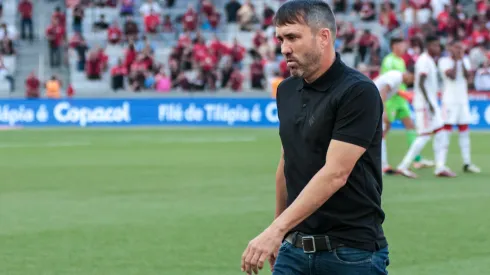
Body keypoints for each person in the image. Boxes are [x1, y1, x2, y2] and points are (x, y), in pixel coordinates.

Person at [240, 1, 389, 274]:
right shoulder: (285, 90)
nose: (284, 48)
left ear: (323, 37)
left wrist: (276, 229)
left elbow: (335, 174)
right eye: (281, 39)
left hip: (351, 254)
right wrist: (279, 231)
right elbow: (287, 163)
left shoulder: (358, 92)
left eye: (293, 37)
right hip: (293, 250)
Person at [396, 36, 455, 178]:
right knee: (424, 135)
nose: (438, 49)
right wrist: (429, 103)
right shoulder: (424, 61)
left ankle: (440, 167)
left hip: (430, 102)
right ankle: (403, 166)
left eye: (438, 46)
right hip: (424, 104)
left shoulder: (429, 60)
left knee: (440, 132)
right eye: (434, 46)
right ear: (428, 46)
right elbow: (421, 82)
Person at [381, 37, 434, 170]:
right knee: (384, 130)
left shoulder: (401, 61)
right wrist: (406, 94)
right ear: (394, 46)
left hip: (401, 100)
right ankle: (380, 161)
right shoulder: (389, 61)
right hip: (391, 99)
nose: (404, 48)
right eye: (401, 45)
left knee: (410, 126)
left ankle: (416, 159)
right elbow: (388, 84)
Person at [438, 40, 481, 173]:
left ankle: (467, 163)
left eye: (461, 48)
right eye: (456, 48)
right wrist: (457, 61)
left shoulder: (465, 60)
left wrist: (461, 61)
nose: (459, 51)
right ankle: (441, 164)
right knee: (446, 133)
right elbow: (451, 76)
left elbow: (468, 77)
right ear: (451, 49)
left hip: (462, 100)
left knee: (464, 131)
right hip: (449, 101)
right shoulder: (444, 61)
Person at [373, 69, 415, 174]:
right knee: (378, 134)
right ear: (409, 73)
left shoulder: (397, 79)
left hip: (372, 102)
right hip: (371, 103)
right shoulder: (396, 77)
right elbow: (383, 91)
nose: (411, 82)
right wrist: (383, 112)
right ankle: (382, 165)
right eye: (413, 78)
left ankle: (383, 165)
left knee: (380, 133)